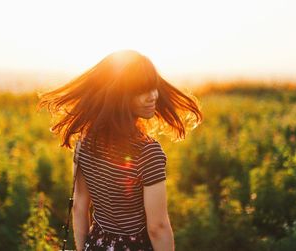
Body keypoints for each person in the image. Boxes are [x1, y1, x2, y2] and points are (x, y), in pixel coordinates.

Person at [36, 49, 203, 251]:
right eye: (142, 90)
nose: (153, 96)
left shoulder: (84, 143)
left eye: (154, 87)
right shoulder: (148, 153)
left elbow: (80, 206)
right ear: (120, 96)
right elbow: (158, 228)